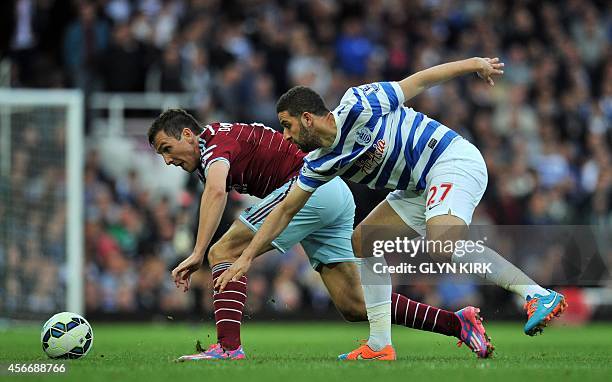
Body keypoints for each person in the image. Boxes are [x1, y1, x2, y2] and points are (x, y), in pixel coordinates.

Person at [214, 57, 567, 360]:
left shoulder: (359, 103)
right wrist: (247, 257)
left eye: (287, 126)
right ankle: (380, 344)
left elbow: (419, 81)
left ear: (307, 118)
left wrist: (473, 64)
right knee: (362, 243)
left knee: (441, 245)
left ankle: (538, 295)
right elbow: (285, 211)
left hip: (449, 159)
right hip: (417, 187)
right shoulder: (319, 162)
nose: (286, 136)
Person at [147, 109, 493, 361]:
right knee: (355, 304)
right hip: (332, 193)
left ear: (188, 135)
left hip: (308, 188)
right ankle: (456, 323)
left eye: (166, 148)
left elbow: (218, 192)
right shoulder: (218, 142)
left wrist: (196, 252)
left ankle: (226, 348)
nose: (166, 160)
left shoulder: (212, 146)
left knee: (221, 252)